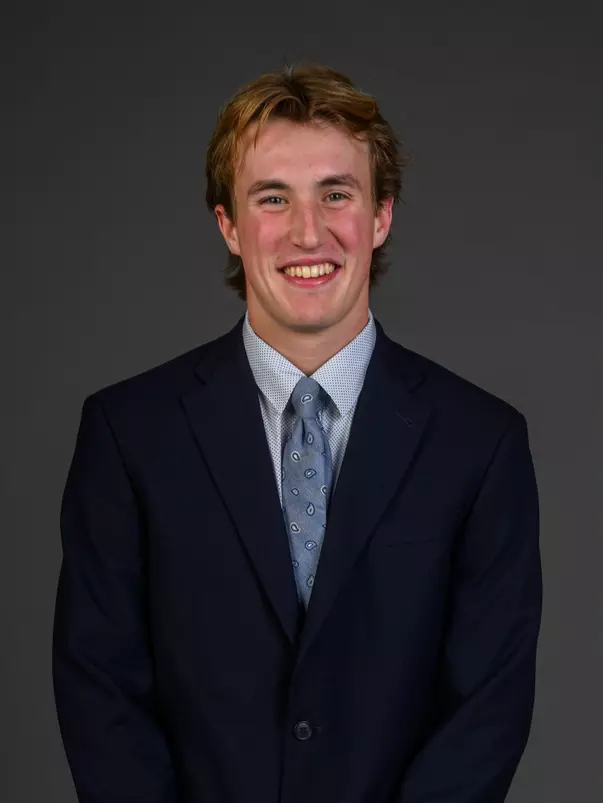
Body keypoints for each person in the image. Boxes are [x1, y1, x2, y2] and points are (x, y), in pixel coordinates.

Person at [52, 63, 542, 803]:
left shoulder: (481, 442)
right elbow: (100, 690)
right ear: (228, 224)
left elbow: (486, 708)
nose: (307, 231)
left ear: (380, 216)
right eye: (272, 197)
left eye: (335, 194)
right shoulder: (128, 434)